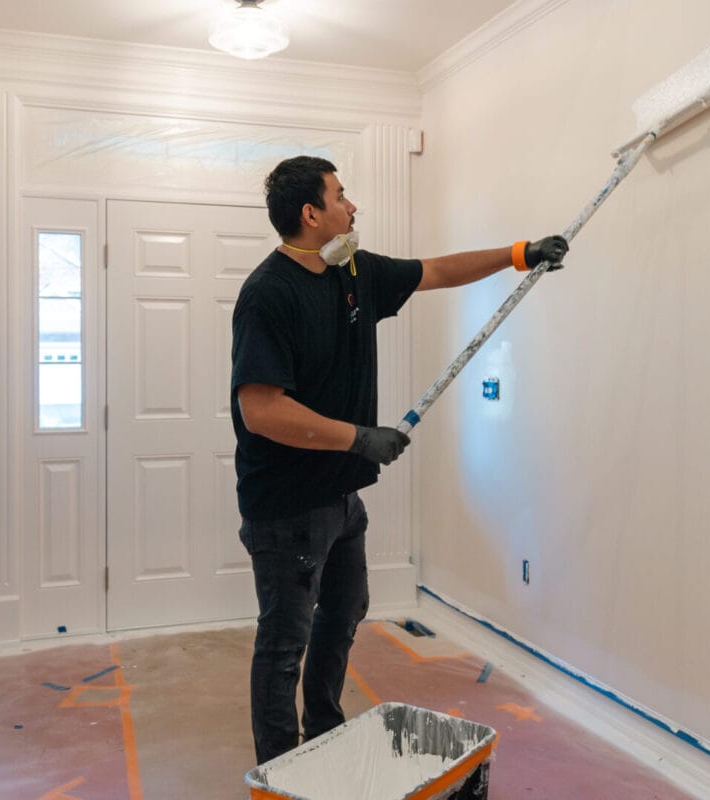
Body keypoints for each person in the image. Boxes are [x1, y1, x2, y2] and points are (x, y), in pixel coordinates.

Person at [231, 155, 568, 764]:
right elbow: (262, 411)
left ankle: (324, 736)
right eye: (340, 195)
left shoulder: (352, 270)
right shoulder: (267, 296)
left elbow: (436, 269)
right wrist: (359, 438)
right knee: (284, 645)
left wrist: (521, 253)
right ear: (311, 213)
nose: (353, 205)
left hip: (340, 498)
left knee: (344, 615)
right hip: (286, 508)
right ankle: (280, 770)